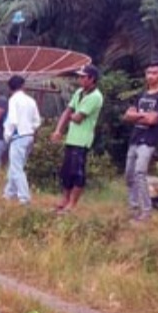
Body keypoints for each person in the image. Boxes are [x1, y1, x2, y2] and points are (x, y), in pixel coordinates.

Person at [50, 65, 104, 214]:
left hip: (83, 139)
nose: (79, 79)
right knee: (66, 171)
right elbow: (68, 111)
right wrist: (58, 130)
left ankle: (72, 204)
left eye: (82, 77)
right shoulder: (80, 92)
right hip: (72, 138)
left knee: (77, 172)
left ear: (91, 79)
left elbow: (78, 117)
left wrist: (72, 115)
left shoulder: (95, 96)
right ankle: (65, 200)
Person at [123, 62, 158, 222]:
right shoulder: (142, 95)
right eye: (148, 73)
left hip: (148, 140)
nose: (151, 76)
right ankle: (134, 207)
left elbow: (152, 120)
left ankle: (146, 212)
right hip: (135, 138)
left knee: (139, 174)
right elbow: (127, 116)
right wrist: (142, 116)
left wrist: (136, 115)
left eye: (155, 73)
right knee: (129, 175)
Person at [3, 75, 41, 205]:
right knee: (15, 166)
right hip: (29, 135)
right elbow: (37, 121)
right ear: (23, 85)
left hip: (18, 136)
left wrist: (7, 135)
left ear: (10, 88)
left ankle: (24, 198)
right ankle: (9, 193)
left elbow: (12, 120)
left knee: (17, 168)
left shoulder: (13, 100)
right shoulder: (31, 100)